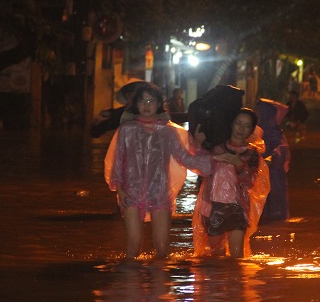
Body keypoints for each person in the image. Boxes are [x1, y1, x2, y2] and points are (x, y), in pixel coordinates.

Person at [104, 82, 214, 259]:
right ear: (135, 104)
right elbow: (118, 162)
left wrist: (201, 149)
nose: (146, 106)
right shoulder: (126, 130)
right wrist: (120, 189)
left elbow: (184, 158)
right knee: (133, 246)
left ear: (159, 104)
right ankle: (130, 284)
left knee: (162, 249)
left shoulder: (167, 132)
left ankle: (159, 283)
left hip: (160, 191)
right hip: (131, 191)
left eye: (150, 101)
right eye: (142, 101)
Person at [192, 108, 270, 258]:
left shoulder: (251, 154)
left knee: (237, 257)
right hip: (213, 207)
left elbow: (251, 184)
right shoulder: (217, 147)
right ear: (231, 124)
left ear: (252, 130)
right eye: (238, 123)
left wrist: (238, 164)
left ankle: (236, 281)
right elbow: (200, 168)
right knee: (216, 256)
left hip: (238, 208)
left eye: (247, 126)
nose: (241, 128)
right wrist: (197, 145)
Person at [256, 98, 290, 221]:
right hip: (265, 170)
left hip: (272, 171)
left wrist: (271, 158)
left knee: (273, 196)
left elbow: (280, 149)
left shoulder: (273, 131)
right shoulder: (261, 129)